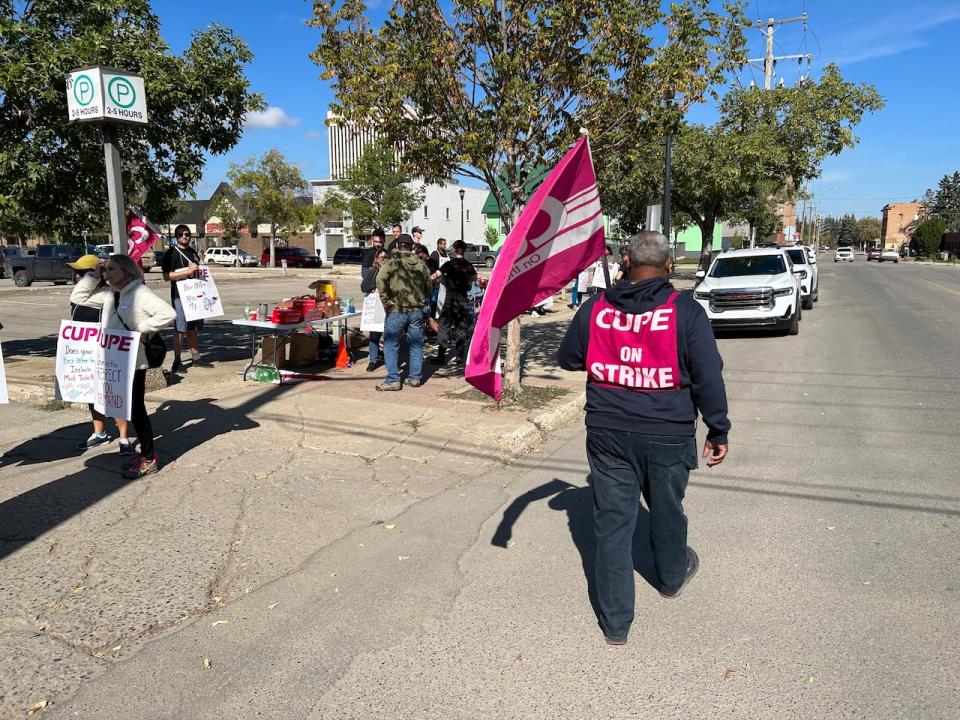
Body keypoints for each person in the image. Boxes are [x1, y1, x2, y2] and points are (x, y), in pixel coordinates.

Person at [557, 231, 730, 646]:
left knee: (613, 528)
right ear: (668, 266)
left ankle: (616, 625)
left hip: (607, 433)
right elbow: (708, 374)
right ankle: (671, 578)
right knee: (667, 508)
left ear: (624, 262)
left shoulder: (595, 309)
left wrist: (608, 344)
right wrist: (718, 427)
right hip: (667, 435)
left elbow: (568, 358)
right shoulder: (684, 311)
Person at [73, 254, 176, 479]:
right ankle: (145, 455)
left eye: (111, 269)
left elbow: (168, 313)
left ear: (126, 272)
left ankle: (150, 459)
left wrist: (140, 329)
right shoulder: (111, 294)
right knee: (130, 409)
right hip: (114, 360)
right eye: (106, 269)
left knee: (137, 410)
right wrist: (94, 274)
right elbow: (79, 297)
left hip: (133, 361)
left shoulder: (140, 293)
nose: (106, 273)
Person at [68, 254, 133, 454]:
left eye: (82, 273)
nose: (78, 277)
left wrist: (97, 273)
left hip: (106, 351)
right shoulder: (83, 294)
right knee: (91, 393)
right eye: (77, 273)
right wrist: (92, 277)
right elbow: (76, 298)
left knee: (113, 393)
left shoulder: (109, 294)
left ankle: (123, 437)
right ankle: (99, 432)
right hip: (85, 353)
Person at [375, 234, 433, 391]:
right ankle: (415, 378)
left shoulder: (392, 262)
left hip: (397, 310)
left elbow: (380, 279)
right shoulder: (421, 264)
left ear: (398, 245)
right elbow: (429, 286)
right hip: (417, 310)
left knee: (390, 345)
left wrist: (386, 300)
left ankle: (393, 379)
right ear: (412, 246)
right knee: (416, 345)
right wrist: (421, 298)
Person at [161, 225, 206, 372]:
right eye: (181, 234)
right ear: (176, 236)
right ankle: (177, 361)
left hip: (194, 295)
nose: (184, 236)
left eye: (187, 234)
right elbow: (167, 276)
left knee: (192, 327)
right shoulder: (171, 253)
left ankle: (196, 357)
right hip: (179, 296)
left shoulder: (192, 253)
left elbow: (198, 271)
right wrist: (187, 271)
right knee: (180, 328)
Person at [433, 240, 477, 369]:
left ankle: (441, 355)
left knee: (444, 327)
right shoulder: (468, 265)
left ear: (454, 250)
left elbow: (436, 275)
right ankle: (459, 356)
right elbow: (473, 278)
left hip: (450, 301)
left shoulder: (449, 264)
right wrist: (466, 282)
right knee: (461, 328)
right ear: (464, 250)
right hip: (462, 300)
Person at [360, 248, 388, 372]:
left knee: (389, 335)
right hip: (375, 307)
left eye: (386, 258)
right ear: (377, 258)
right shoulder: (372, 271)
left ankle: (389, 359)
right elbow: (364, 286)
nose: (384, 260)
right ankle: (373, 360)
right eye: (382, 258)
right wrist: (375, 284)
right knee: (374, 335)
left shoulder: (391, 272)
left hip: (387, 307)